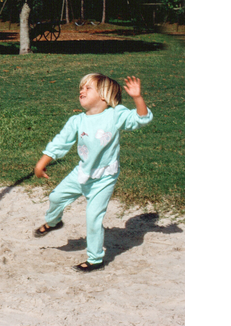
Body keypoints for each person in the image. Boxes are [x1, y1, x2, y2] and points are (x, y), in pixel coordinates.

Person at [33, 74, 152, 272]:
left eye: (88, 88)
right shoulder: (77, 120)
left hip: (105, 177)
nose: (82, 91)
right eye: (81, 88)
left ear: (104, 96)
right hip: (81, 173)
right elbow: (60, 142)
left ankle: (95, 259)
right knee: (55, 197)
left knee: (93, 217)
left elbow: (141, 119)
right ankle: (54, 222)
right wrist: (42, 163)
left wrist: (138, 98)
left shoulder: (115, 115)